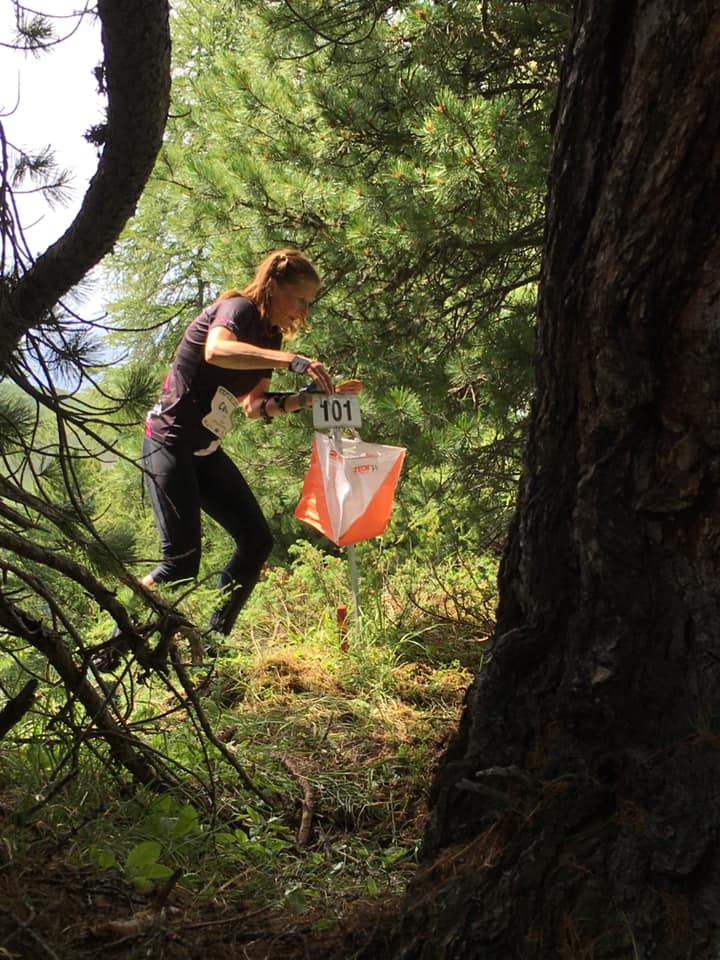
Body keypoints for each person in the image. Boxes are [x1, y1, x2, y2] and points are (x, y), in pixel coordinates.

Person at [97, 248, 355, 671]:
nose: (305, 311)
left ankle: (213, 646)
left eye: (310, 303)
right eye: (300, 300)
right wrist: (292, 360)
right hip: (168, 443)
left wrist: (307, 400)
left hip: (205, 450)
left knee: (257, 541)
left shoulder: (270, 336)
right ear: (273, 288)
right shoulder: (237, 310)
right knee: (179, 563)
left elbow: (255, 406)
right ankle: (105, 656)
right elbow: (217, 350)